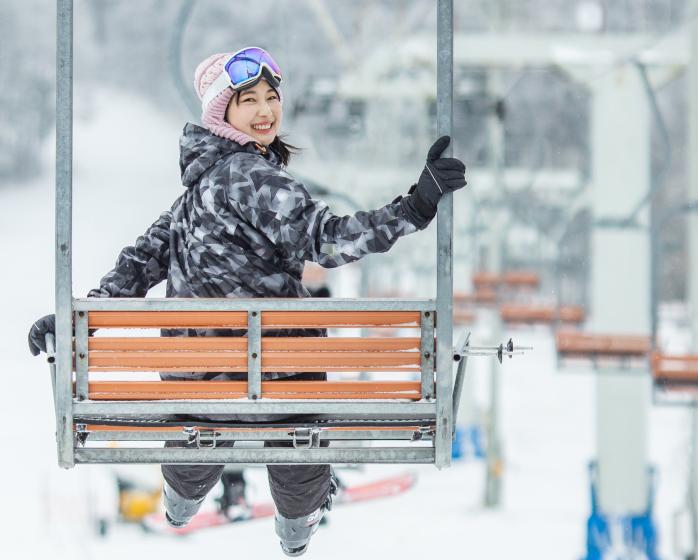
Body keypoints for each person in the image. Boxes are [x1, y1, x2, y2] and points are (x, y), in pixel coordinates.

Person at [28, 46, 467, 556]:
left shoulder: (189, 201)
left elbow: (134, 269)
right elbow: (326, 240)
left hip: (200, 397)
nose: (265, 111)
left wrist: (70, 322)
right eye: (249, 100)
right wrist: (415, 205)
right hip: (280, 391)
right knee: (296, 412)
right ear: (222, 114)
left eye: (271, 97)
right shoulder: (255, 178)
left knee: (200, 412)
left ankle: (182, 495)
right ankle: (298, 523)